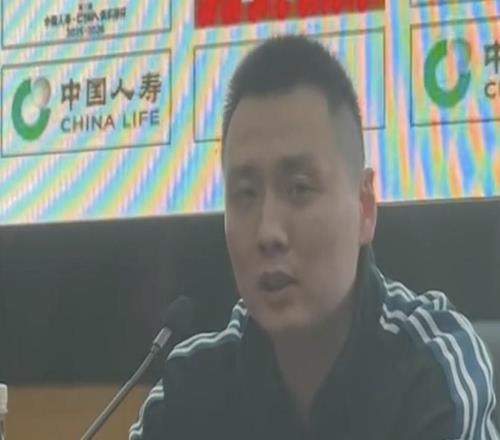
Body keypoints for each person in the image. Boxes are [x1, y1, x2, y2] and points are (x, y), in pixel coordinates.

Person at [130, 35, 498, 439]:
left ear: (364, 206)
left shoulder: (429, 369)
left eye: (299, 189)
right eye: (245, 194)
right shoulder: (190, 385)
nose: (268, 232)